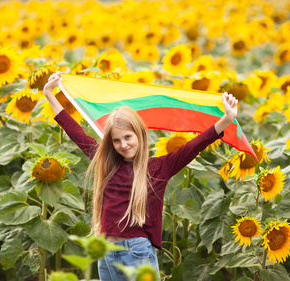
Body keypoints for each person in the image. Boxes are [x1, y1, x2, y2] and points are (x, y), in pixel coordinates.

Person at [43, 73, 238, 281]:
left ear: (140, 135)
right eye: (116, 140)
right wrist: (49, 94)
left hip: (135, 252)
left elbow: (193, 146)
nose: (123, 144)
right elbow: (75, 132)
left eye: (128, 137)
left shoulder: (158, 167)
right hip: (105, 252)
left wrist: (227, 118)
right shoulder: (107, 163)